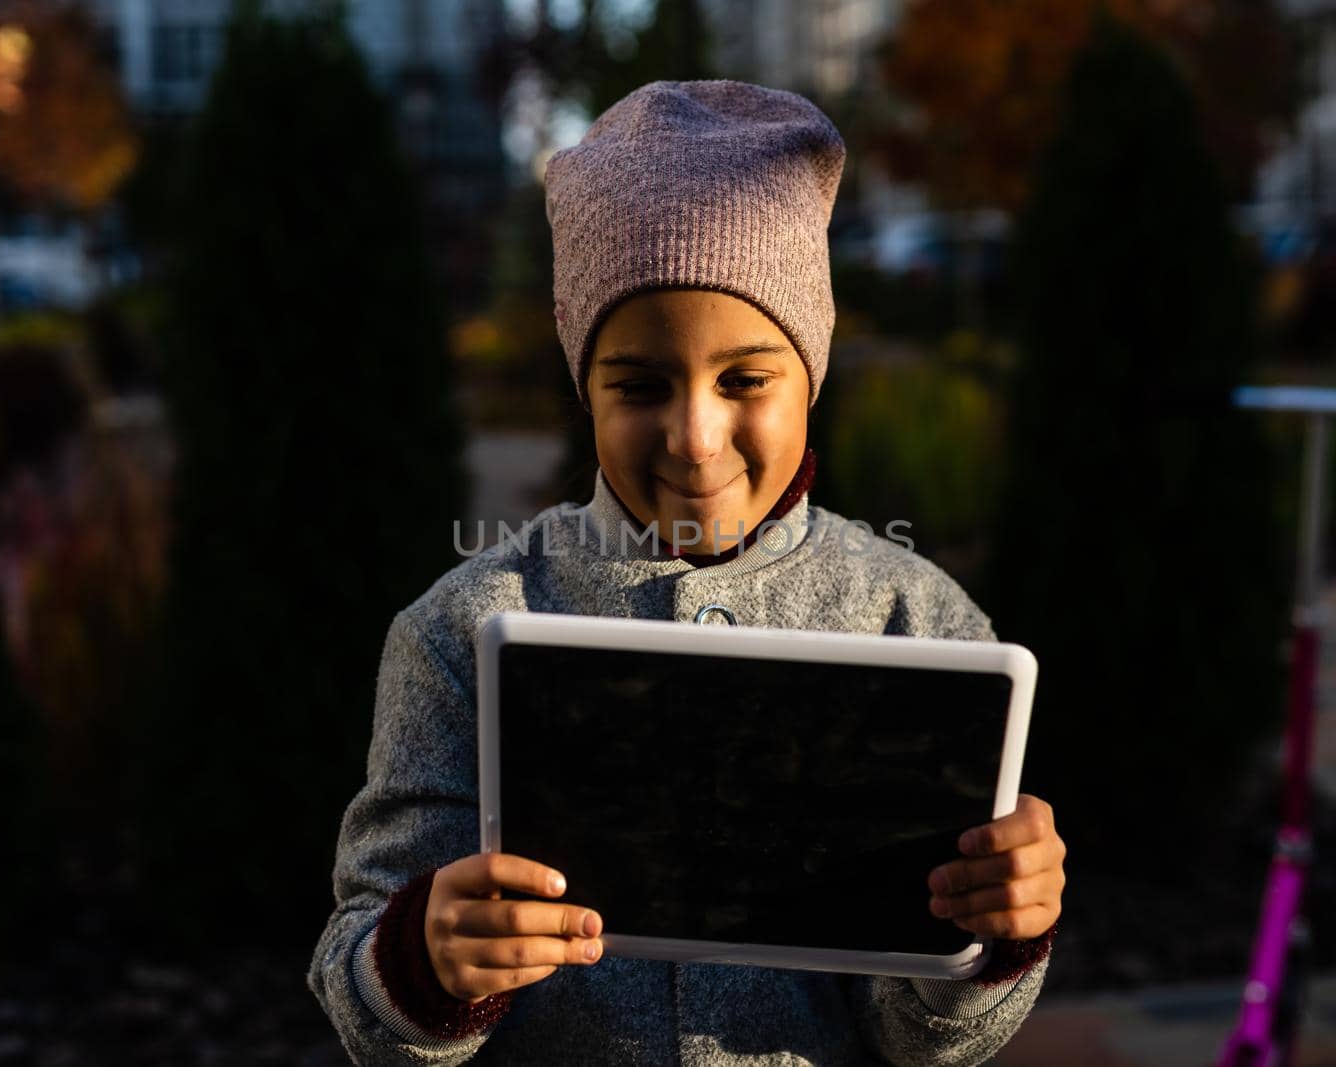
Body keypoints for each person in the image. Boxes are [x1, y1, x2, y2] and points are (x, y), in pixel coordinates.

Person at [307, 79, 1066, 1067]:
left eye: (745, 378)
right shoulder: (463, 627)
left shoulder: (912, 622)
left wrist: (989, 932)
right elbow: (357, 977)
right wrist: (426, 957)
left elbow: (925, 1036)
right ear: (585, 384)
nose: (695, 438)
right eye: (639, 383)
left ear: (812, 374)